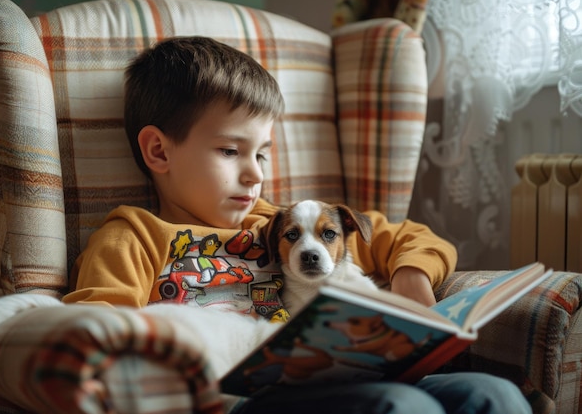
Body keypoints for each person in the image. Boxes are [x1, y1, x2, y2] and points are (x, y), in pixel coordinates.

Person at [62, 36, 531, 414]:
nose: (256, 174)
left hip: (328, 381)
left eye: (262, 153)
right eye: (231, 151)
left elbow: (412, 237)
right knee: (400, 405)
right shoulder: (131, 237)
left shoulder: (280, 223)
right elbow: (97, 336)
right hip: (232, 400)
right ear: (160, 152)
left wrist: (411, 276)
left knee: (492, 394)